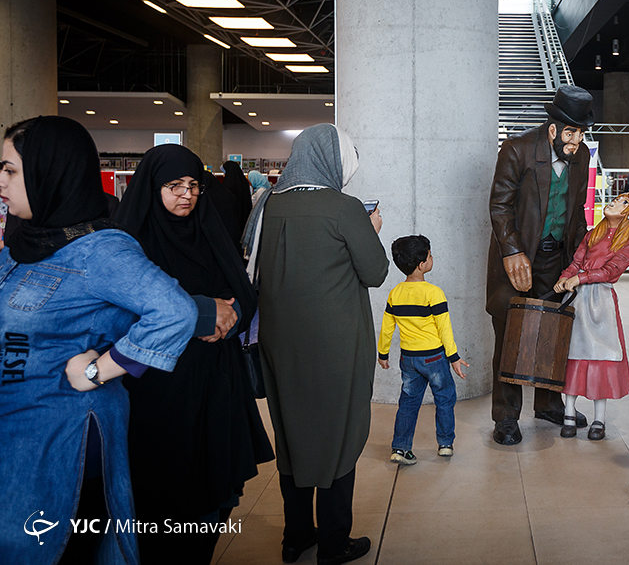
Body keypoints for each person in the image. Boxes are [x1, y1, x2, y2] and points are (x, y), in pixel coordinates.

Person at [0, 116, 197, 565]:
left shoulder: (101, 251)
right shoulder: (26, 242)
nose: (2, 181)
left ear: (51, 170)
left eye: (11, 170)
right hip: (15, 431)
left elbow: (175, 311)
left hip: (59, 439)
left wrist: (99, 369)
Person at [115, 144, 274, 565]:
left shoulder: (208, 228)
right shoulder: (127, 242)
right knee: (165, 491)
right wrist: (204, 314)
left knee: (213, 488)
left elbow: (242, 289)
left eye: (193, 186)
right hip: (156, 389)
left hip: (213, 381)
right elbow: (125, 310)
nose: (186, 195)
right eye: (173, 186)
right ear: (151, 187)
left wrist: (233, 314)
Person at [244, 124, 388, 565]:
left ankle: (295, 538)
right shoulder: (343, 208)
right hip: (336, 345)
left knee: (292, 434)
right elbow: (375, 271)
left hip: (280, 343)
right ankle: (333, 543)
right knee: (338, 436)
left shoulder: (268, 204)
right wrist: (372, 227)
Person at [487, 84, 594, 445]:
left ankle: (548, 403)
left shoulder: (582, 158)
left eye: (580, 132)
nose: (576, 140)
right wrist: (512, 251)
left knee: (553, 331)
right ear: (552, 128)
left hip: (556, 258)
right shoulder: (516, 150)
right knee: (511, 336)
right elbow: (500, 206)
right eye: (570, 132)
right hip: (519, 258)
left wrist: (582, 259)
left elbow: (578, 210)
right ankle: (505, 416)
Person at [554, 193, 629, 440]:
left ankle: (599, 419)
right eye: (616, 199)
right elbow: (577, 260)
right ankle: (569, 413)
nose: (615, 202)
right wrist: (565, 277)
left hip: (600, 301)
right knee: (573, 353)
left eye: (624, 202)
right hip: (577, 300)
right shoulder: (593, 233)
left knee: (601, 354)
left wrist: (579, 278)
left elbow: (610, 271)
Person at [378, 235, 470, 464]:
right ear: (422, 264)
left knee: (408, 403)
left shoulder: (395, 293)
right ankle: (445, 444)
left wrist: (383, 353)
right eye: (429, 255)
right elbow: (444, 329)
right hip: (434, 358)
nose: (432, 258)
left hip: (408, 359)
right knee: (445, 399)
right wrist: (454, 358)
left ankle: (400, 448)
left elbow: (387, 327)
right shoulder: (433, 293)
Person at [222, 160, 253, 232]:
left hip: (232, 224)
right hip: (245, 221)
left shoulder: (227, 185)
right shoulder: (244, 183)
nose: (223, 175)